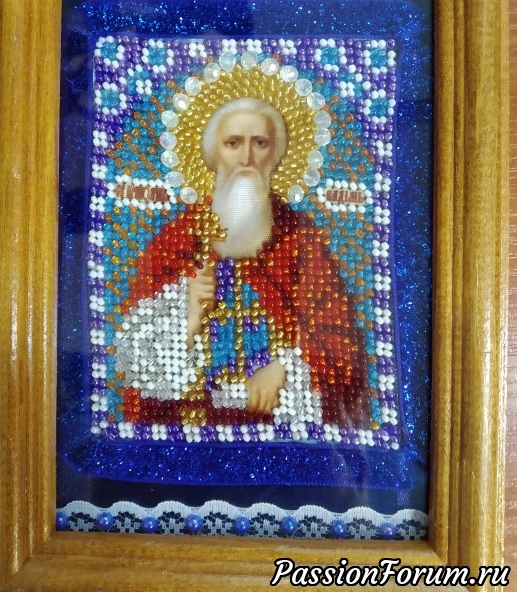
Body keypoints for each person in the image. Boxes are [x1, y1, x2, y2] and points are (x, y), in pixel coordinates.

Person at [115, 98, 368, 431]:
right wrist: (188, 317)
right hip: (190, 426)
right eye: (233, 143)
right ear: (213, 154)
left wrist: (285, 370)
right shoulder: (177, 240)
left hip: (280, 429)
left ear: (276, 154)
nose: (247, 158)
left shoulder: (299, 241)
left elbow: (338, 340)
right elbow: (132, 360)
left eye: (259, 143)